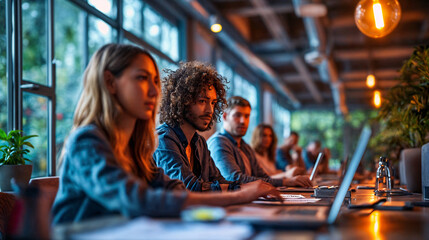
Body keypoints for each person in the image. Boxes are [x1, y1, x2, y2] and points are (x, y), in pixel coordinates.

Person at [51, 44, 280, 224]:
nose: (153, 91)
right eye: (142, 78)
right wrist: (239, 194)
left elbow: (171, 187)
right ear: (110, 82)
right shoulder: (87, 141)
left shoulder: (134, 145)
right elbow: (138, 200)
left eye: (155, 81)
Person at [154, 61, 239, 192]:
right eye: (202, 101)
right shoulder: (163, 139)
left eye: (213, 103)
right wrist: (234, 188)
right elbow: (188, 187)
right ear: (183, 101)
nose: (210, 110)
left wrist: (245, 187)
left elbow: (219, 180)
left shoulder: (199, 143)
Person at [208, 96, 312, 188]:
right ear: (225, 117)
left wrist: (288, 181)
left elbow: (262, 177)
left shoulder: (245, 146)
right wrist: (286, 181)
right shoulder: (219, 142)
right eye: (237, 115)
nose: (243, 121)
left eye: (246, 116)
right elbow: (234, 179)